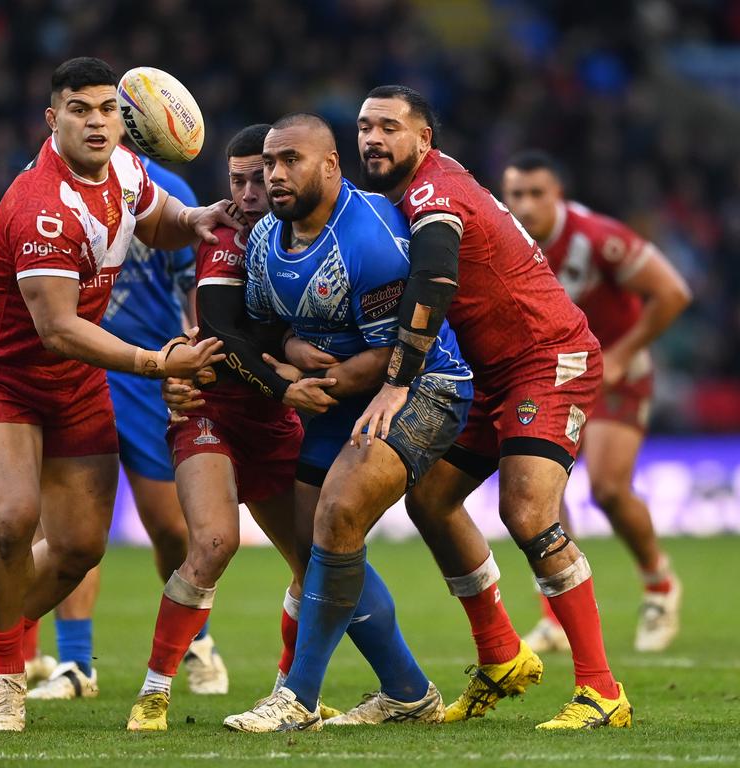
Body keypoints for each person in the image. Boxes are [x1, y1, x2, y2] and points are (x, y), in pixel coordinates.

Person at [0, 56, 233, 732]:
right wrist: (155, 361)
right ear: (54, 119)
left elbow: (155, 220)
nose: (96, 121)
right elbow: (57, 328)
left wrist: (195, 219)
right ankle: (8, 677)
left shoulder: (127, 170)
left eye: (107, 109)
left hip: (71, 384)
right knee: (14, 519)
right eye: (80, 109)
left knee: (78, 547)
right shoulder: (42, 204)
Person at [351, 86, 632, 729]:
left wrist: (398, 380)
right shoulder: (412, 194)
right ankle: (501, 654)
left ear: (424, 140)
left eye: (389, 127)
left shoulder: (432, 195)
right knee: (429, 499)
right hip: (493, 371)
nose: (372, 138)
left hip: (547, 357)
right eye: (365, 126)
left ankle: (602, 690)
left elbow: (434, 283)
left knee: (528, 512)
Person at [218, 113, 473, 733]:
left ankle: (297, 697)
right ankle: (409, 692)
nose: (276, 176)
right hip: (337, 400)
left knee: (338, 518)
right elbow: (259, 326)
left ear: (331, 166)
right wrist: (289, 351)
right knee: (314, 550)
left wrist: (304, 380)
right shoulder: (263, 242)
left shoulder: (370, 238)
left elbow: (392, 355)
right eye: (271, 163)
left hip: (419, 388)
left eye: (291, 162)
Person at [126, 122, 340, 732]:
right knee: (214, 544)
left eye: (261, 176)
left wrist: (288, 357)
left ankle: (289, 689)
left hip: (275, 423)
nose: (249, 191)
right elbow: (222, 334)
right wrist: (279, 372)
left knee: (315, 561)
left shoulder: (313, 234)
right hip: (211, 411)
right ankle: (155, 690)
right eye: (238, 179)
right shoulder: (224, 238)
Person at [501, 150, 690, 653]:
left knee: (607, 489)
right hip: (552, 374)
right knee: (540, 494)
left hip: (614, 372)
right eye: (515, 194)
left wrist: (623, 356)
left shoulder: (597, 238)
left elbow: (672, 292)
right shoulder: (501, 241)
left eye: (536, 193)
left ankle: (660, 586)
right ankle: (556, 618)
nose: (524, 204)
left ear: (558, 194)